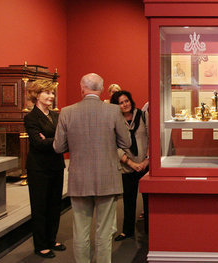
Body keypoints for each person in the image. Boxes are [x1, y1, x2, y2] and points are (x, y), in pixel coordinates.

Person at [53, 73, 131, 263]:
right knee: (104, 232)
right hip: (107, 177)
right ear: (102, 89)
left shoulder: (67, 112)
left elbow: (58, 147)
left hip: (79, 179)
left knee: (80, 231)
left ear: (82, 88)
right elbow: (126, 141)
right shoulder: (113, 111)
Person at [24, 79, 66, 258]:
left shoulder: (57, 116)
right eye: (47, 93)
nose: (51, 96)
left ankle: (51, 239)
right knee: (40, 206)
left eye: (52, 93)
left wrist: (51, 141)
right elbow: (37, 143)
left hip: (56, 165)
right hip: (39, 169)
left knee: (55, 205)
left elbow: (64, 140)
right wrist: (57, 141)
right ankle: (40, 244)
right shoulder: (30, 117)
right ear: (36, 95)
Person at [111, 90, 149, 241]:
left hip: (145, 164)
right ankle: (127, 231)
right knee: (129, 199)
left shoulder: (143, 116)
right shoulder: (115, 121)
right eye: (120, 102)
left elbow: (153, 137)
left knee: (148, 200)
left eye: (126, 101)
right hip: (127, 166)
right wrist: (131, 163)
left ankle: (149, 229)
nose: (124, 104)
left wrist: (146, 160)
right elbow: (113, 145)